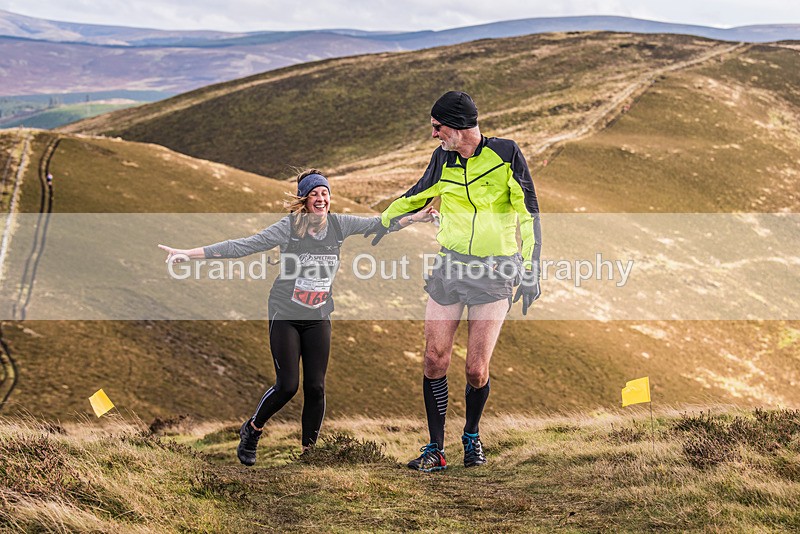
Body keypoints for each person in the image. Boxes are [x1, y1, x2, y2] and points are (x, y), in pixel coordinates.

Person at [159, 169, 436, 466]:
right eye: (314, 194)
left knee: (316, 387)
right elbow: (242, 245)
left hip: (318, 314)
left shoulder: (339, 225)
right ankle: (252, 429)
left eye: (325, 193)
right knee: (288, 385)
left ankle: (309, 455)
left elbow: (379, 223)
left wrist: (415, 218)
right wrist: (189, 254)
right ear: (304, 200)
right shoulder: (288, 228)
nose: (321, 198)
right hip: (285, 313)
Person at [367, 91, 542, 472]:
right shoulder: (442, 158)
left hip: (495, 270)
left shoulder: (506, 154)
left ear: (458, 126)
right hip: (450, 267)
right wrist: (382, 221)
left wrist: (531, 268)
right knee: (434, 359)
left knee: (476, 369)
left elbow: (528, 213)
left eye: (437, 127)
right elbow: (418, 194)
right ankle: (435, 448)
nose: (433, 135)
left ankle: (472, 436)